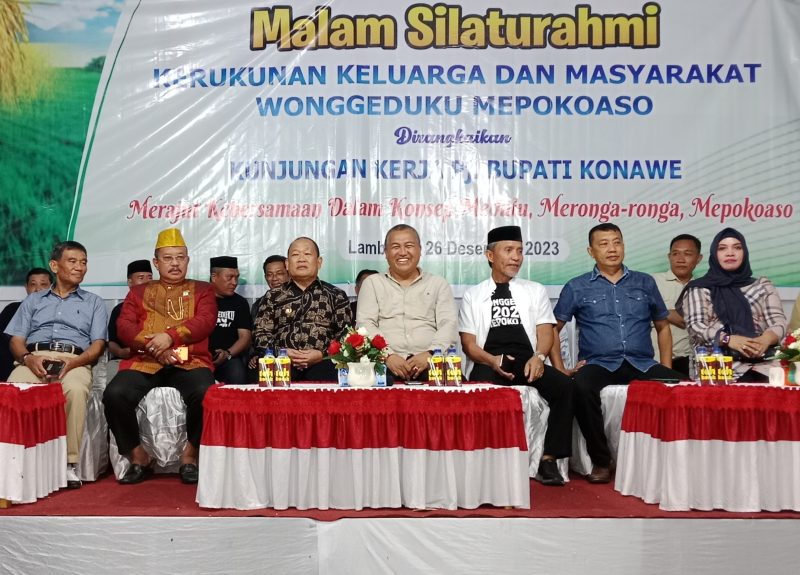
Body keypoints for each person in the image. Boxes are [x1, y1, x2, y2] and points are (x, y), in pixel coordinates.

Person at [552, 223, 682, 484]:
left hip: (642, 362)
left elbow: (662, 326)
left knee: (680, 388)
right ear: (591, 251)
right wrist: (560, 369)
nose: (612, 249)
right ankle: (601, 460)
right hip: (599, 363)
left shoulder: (644, 282)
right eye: (604, 244)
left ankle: (672, 459)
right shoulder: (577, 286)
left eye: (617, 242)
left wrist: (666, 367)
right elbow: (553, 329)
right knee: (580, 387)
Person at [459, 226, 572, 486]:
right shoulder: (473, 295)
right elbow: (469, 344)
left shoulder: (535, 290)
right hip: (489, 360)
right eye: (508, 250)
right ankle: (484, 461)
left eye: (519, 251)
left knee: (565, 387)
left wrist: (539, 356)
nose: (516, 257)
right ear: (490, 256)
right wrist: (492, 361)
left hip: (527, 361)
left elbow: (546, 332)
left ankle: (549, 460)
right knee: (479, 392)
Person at [102, 228, 217, 485]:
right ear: (156, 262)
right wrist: (155, 346)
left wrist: (170, 337)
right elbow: (124, 327)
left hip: (189, 361)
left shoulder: (203, 290)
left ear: (188, 260)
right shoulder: (138, 292)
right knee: (114, 394)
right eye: (168, 258)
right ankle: (138, 457)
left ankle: (190, 456)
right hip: (146, 360)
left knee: (206, 393)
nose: (175, 263)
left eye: (180, 257)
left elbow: (205, 321)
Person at [5, 242, 108, 489]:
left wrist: (74, 363)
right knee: (13, 390)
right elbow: (16, 341)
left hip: (75, 361)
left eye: (83, 262)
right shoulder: (33, 301)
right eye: (72, 261)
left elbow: (97, 346)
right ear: (54, 265)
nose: (80, 267)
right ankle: (14, 461)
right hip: (35, 357)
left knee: (75, 390)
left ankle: (69, 463)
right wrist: (29, 358)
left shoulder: (94, 302)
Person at [678, 227, 786, 382]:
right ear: (714, 254)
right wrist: (728, 339)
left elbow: (778, 322)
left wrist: (765, 339)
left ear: (745, 252)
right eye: (722, 248)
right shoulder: (700, 288)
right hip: (717, 368)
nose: (730, 253)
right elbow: (696, 326)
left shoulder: (762, 286)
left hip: (764, 365)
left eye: (737, 247)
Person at [357, 224, 457, 381]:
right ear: (386, 252)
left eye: (409, 246)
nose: (403, 252)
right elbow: (365, 324)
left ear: (420, 250)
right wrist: (387, 355)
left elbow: (448, 324)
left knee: (459, 392)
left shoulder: (438, 284)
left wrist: (431, 354)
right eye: (395, 247)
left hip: (432, 362)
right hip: (385, 364)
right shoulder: (372, 283)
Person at [253, 237, 351, 381]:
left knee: (332, 372)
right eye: (295, 254)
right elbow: (260, 333)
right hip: (281, 362)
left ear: (319, 262)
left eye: (307, 254)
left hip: (324, 361)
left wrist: (322, 354)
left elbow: (346, 334)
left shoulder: (336, 295)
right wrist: (281, 353)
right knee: (265, 371)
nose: (301, 259)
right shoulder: (272, 296)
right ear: (287, 264)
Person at [649, 234, 703, 377]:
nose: (680, 259)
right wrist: (666, 313)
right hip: (654, 361)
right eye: (675, 254)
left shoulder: (703, 289)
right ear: (669, 257)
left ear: (699, 258)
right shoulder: (651, 282)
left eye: (687, 254)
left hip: (690, 363)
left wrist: (663, 313)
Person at [0, 267, 52, 380]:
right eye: (33, 284)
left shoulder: (55, 312)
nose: (38, 289)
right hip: (14, 359)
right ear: (26, 287)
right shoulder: (12, 309)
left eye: (43, 284)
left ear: (51, 287)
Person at [106, 260, 153, 382]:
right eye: (141, 278)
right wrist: (121, 352)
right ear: (130, 282)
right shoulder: (119, 309)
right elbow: (111, 343)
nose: (147, 282)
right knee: (115, 385)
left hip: (154, 361)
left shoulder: (162, 308)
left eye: (150, 277)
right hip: (124, 360)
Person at [209, 256, 252, 385]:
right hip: (201, 358)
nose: (234, 282)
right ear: (214, 277)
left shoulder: (240, 302)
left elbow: (245, 337)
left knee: (237, 373)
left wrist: (227, 354)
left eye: (237, 277)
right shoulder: (199, 300)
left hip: (229, 357)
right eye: (229, 277)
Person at [250, 255, 289, 319]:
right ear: (265, 278)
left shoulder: (302, 300)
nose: (274, 278)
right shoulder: (258, 305)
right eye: (269, 274)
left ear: (290, 275)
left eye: (279, 273)